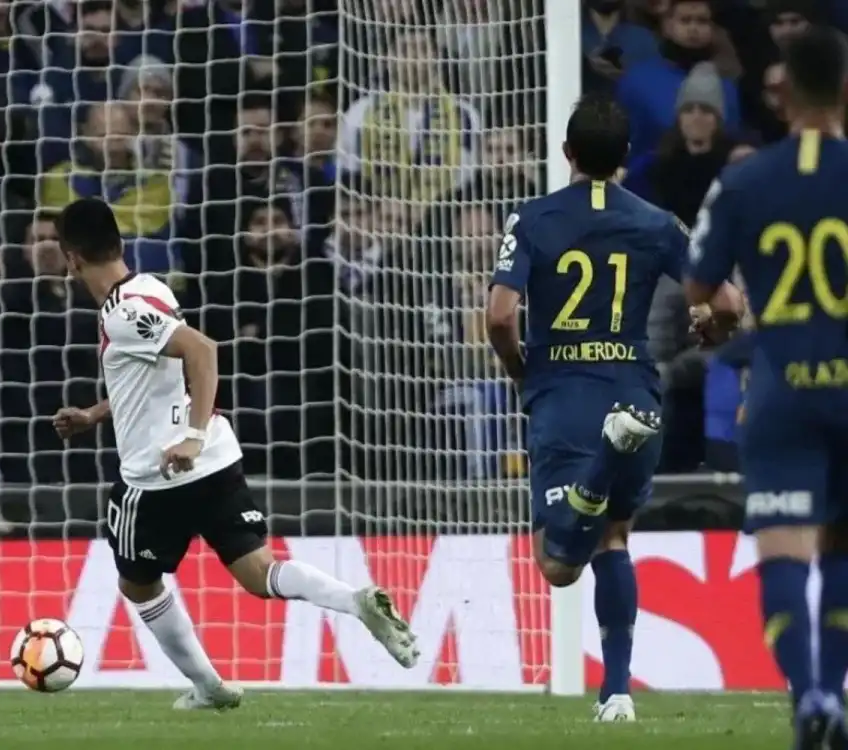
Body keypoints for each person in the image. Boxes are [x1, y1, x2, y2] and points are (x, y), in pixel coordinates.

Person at [49, 197, 418, 710]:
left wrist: (191, 437)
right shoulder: (149, 288)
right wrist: (94, 415)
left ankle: (208, 686)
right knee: (259, 573)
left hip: (158, 475)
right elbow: (154, 378)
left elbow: (202, 352)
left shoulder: (122, 313)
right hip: (216, 460)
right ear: (121, 244)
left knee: (137, 584)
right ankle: (354, 601)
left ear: (71, 259)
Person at [486, 93, 741, 722]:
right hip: (632, 388)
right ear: (626, 156)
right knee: (614, 539)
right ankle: (617, 694)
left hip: (562, 395)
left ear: (566, 152)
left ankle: (599, 468)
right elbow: (729, 302)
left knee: (556, 565)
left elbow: (498, 316)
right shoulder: (658, 223)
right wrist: (712, 331)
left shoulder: (533, 218)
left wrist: (520, 368)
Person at [685, 26, 848, 748]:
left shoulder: (745, 179)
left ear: (779, 97)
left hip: (778, 387)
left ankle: (808, 696)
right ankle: (833, 699)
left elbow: (699, 283)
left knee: (782, 551)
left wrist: (721, 325)